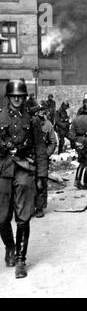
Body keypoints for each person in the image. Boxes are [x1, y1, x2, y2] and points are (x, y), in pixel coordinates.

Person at [0, 80, 46, 278]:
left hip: (24, 170)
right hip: (3, 170)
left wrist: (42, 175)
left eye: (21, 96)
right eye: (14, 96)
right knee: (1, 217)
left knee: (23, 216)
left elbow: (40, 150)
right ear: (8, 97)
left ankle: (20, 259)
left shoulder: (33, 120)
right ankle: (9, 247)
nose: (17, 99)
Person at [30, 101, 57, 218]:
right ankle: (29, 207)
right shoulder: (29, 123)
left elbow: (53, 142)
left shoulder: (48, 125)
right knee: (28, 182)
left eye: (43, 111)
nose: (41, 112)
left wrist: (47, 153)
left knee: (41, 183)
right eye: (39, 110)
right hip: (29, 155)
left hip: (42, 157)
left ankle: (40, 207)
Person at [69, 100, 87, 190]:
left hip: (78, 143)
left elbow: (70, 134)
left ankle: (77, 181)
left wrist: (76, 142)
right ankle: (86, 183)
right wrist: (85, 142)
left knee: (81, 162)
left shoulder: (75, 119)